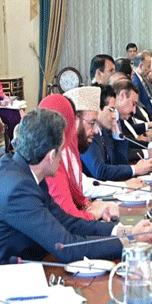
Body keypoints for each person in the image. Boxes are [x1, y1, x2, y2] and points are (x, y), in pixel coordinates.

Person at [0, 108, 152, 304]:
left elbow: (67, 222)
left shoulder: (22, 171)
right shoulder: (18, 188)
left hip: (20, 274)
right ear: (50, 155)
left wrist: (120, 232)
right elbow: (65, 246)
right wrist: (126, 243)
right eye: (62, 151)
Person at [39, 90, 119, 221]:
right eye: (92, 123)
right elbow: (66, 215)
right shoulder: (51, 158)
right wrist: (93, 214)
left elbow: (78, 192)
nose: (95, 130)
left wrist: (91, 206)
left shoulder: (70, 148)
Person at [81, 84, 152, 181]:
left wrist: (117, 135)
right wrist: (135, 169)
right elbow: (100, 171)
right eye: (111, 110)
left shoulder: (103, 131)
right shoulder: (87, 133)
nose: (114, 116)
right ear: (97, 108)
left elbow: (119, 163)